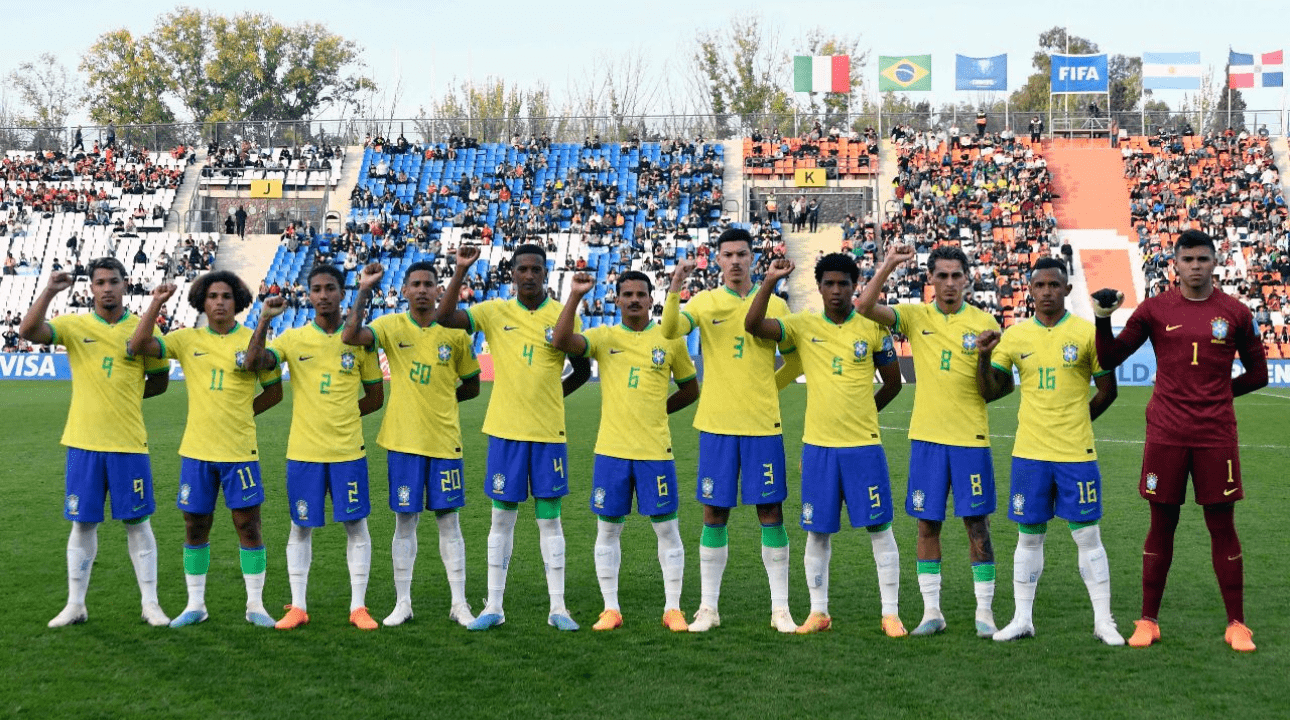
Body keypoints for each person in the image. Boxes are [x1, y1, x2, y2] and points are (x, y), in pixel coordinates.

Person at [1092, 229, 1268, 652]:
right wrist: (1101, 318)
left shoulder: (1236, 312)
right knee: (1161, 524)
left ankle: (1237, 624)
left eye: (1202, 259)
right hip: (1166, 434)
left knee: (1222, 526)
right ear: (1175, 264)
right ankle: (1148, 620)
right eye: (1187, 259)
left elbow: (1259, 374)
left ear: (1215, 262)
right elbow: (1111, 357)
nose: (1195, 266)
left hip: (1215, 436)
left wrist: (1220, 395)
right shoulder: (1154, 310)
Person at [745, 254, 906, 636]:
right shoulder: (803, 325)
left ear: (854, 286)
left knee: (879, 528)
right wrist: (769, 281)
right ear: (819, 287)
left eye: (843, 284)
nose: (836, 291)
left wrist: (864, 414)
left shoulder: (873, 328)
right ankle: (818, 612)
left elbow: (893, 383)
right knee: (817, 532)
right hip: (818, 449)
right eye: (829, 284)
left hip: (864, 447)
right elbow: (752, 325)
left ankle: (891, 613)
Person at [436, 243, 593, 631]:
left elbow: (582, 370)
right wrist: (460, 270)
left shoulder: (563, 314)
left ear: (545, 273)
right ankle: (494, 606)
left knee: (550, 521)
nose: (529, 275)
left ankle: (558, 608)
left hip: (548, 433)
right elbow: (445, 317)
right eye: (522, 269)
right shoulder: (494, 311)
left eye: (536, 269)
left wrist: (552, 396)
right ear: (512, 274)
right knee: (501, 520)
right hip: (505, 432)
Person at [661, 227, 804, 633]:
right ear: (718, 260)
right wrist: (675, 285)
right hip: (717, 426)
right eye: (728, 255)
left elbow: (795, 361)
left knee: (771, 512)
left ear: (752, 257)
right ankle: (708, 608)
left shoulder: (777, 305)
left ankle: (780, 610)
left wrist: (767, 388)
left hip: (762, 425)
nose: (736, 261)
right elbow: (670, 330)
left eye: (742, 253)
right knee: (714, 514)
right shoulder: (705, 302)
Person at [975, 258, 1123, 645]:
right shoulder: (1015, 336)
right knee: (1028, 537)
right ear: (1030, 290)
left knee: (1087, 536)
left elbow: (1108, 390)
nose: (1046, 292)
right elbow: (990, 391)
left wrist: (1077, 421)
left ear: (1067, 289)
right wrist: (982, 356)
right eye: (1039, 285)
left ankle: (1103, 620)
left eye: (1054, 285)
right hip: (1030, 453)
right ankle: (1022, 618)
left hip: (1076, 454)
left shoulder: (1087, 333)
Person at [856, 243, 1001, 637]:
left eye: (956, 276)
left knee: (977, 526)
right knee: (927, 525)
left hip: (970, 439)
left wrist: (985, 355)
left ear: (967, 280)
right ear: (930, 280)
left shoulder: (984, 321)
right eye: (942, 276)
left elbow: (990, 389)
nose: (949, 283)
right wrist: (889, 263)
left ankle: (984, 613)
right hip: (926, 439)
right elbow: (864, 307)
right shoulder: (915, 316)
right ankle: (931, 612)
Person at [19, 257, 172, 627]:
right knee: (83, 524)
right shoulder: (74, 326)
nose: (107, 288)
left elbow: (160, 381)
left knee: (138, 522)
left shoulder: (143, 328)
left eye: (113, 281)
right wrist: (50, 291)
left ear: (125, 284)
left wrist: (125, 398)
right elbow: (28, 331)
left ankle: (150, 604)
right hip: (83, 442)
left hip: (128, 443)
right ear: (90, 288)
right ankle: (76, 605)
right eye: (100, 282)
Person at [126, 271, 283, 628]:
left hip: (240, 452)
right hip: (196, 451)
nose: (219, 302)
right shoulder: (186, 339)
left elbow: (274, 392)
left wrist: (242, 414)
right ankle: (195, 604)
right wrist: (156, 303)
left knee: (249, 526)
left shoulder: (252, 340)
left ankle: (255, 605)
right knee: (195, 526)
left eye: (226, 296)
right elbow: (138, 345)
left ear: (237, 301)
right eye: (212, 296)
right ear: (202, 301)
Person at [551, 270, 700, 632]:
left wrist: (658, 411)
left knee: (667, 530)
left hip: (655, 451)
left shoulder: (671, 340)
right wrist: (575, 296)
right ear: (617, 300)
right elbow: (561, 340)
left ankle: (673, 608)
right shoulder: (604, 336)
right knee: (607, 531)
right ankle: (611, 609)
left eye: (640, 294)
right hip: (611, 451)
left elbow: (690, 390)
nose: (634, 299)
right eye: (627, 294)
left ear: (651, 299)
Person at [242, 264, 385, 631]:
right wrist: (264, 319)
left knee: (356, 525)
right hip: (304, 453)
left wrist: (341, 417)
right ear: (308, 295)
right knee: (300, 527)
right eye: (317, 289)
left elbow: (375, 397)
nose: (323, 295)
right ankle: (298, 606)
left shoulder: (359, 341)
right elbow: (253, 362)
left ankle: (358, 607)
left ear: (341, 293)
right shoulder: (293, 339)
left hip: (348, 452)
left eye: (330, 288)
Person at [342, 261, 481, 628]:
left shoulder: (456, 335)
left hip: (444, 440)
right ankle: (402, 602)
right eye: (415, 284)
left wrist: (443, 401)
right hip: (403, 441)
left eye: (428, 284)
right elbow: (350, 336)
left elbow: (472, 385)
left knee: (449, 522)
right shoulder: (391, 326)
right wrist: (364, 289)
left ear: (438, 290)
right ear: (404, 290)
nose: (422, 289)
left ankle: (459, 603)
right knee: (405, 521)